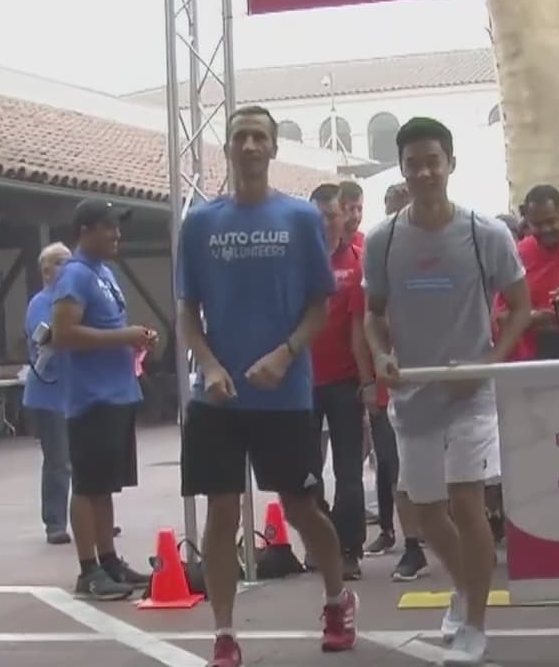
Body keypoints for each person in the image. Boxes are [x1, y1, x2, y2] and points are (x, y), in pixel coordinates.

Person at [177, 105, 356, 667]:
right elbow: (187, 313)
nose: (250, 145)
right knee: (221, 512)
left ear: (273, 148)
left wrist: (285, 354)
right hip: (218, 397)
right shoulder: (200, 223)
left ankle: (336, 600)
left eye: (260, 137)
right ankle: (225, 633)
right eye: (241, 136)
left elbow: (319, 306)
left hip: (284, 393)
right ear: (228, 147)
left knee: (301, 508)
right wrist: (209, 366)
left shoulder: (299, 218)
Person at [363, 117, 532, 666]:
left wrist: (488, 363)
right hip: (413, 395)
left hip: (471, 394)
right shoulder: (384, 239)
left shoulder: (485, 233)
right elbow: (372, 315)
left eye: (432, 161)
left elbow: (521, 306)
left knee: (466, 500)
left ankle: (476, 624)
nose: (423, 173)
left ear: (450, 164)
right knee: (426, 510)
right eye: (412, 164)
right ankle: (466, 590)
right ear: (402, 169)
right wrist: (382, 355)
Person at [51, 199, 157, 600]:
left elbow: (107, 327)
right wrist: (123, 336)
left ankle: (109, 560)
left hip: (116, 392)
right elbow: (64, 334)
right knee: (87, 483)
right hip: (91, 397)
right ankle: (88, 569)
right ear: (85, 231)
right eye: (108, 227)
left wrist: (134, 338)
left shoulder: (104, 273)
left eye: (117, 226)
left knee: (104, 485)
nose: (116, 234)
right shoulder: (75, 274)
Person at [363, 182, 431, 582]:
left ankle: (469, 543)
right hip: (398, 380)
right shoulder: (380, 252)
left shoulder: (450, 247)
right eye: (394, 211)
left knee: (461, 478)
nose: (401, 218)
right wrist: (375, 368)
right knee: (398, 470)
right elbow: (369, 318)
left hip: (451, 377)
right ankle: (411, 546)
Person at [308, 183, 375, 580]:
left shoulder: (358, 263)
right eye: (318, 217)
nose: (326, 224)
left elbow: (359, 328)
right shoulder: (297, 263)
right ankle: (320, 544)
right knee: (306, 472)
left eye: (331, 216)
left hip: (344, 383)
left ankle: (350, 549)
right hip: (302, 384)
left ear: (343, 217)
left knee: (349, 473)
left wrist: (367, 383)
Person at [494, 184, 559, 362]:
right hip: (533, 359)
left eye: (551, 221)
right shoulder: (518, 254)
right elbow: (500, 317)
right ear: (527, 222)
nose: (546, 229)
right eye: (537, 224)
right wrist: (537, 317)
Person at [24, 242, 73, 545]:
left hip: (75, 391)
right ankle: (54, 523)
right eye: (61, 262)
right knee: (58, 460)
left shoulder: (72, 300)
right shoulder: (41, 303)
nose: (68, 268)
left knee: (82, 457)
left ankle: (90, 517)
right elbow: (45, 336)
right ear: (46, 270)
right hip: (49, 392)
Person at [340, 180, 366, 249]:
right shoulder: (327, 244)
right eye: (351, 209)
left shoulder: (365, 243)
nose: (356, 216)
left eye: (360, 209)